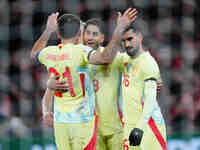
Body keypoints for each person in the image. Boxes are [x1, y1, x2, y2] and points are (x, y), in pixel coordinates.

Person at [30, 9, 138, 150]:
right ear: (78, 34)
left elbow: (33, 54)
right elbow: (106, 58)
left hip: (61, 124)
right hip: (82, 123)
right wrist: (119, 29)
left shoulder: (50, 53)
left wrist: (48, 30)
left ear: (58, 33)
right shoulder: (81, 51)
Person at [108, 21, 167, 150]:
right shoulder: (123, 59)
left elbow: (150, 100)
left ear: (140, 37)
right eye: (123, 41)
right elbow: (104, 55)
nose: (126, 44)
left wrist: (140, 127)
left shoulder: (148, 63)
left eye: (130, 39)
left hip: (149, 126)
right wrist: (117, 30)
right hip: (128, 125)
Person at [81, 18, 123, 150]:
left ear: (102, 38)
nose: (90, 37)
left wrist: (155, 77)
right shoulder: (76, 57)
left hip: (115, 126)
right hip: (89, 128)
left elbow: (136, 63)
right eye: (87, 33)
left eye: (94, 34)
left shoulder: (114, 56)